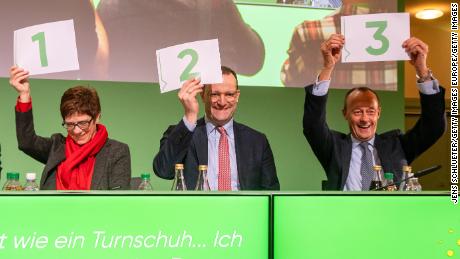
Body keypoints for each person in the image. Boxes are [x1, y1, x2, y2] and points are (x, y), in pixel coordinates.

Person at [303, 34, 446, 191]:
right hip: (345, 214)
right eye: (357, 112)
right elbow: (312, 124)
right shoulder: (333, 147)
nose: (365, 119)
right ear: (345, 114)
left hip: (389, 215)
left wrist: (422, 69)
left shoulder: (398, 146)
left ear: (378, 113)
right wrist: (328, 67)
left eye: (370, 111)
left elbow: (434, 126)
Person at [153, 66, 279, 190]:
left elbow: (271, 192)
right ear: (203, 96)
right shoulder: (184, 133)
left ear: (237, 96)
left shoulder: (257, 141)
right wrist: (190, 115)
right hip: (198, 210)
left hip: (243, 210)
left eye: (229, 94)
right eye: (215, 94)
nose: (222, 102)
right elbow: (163, 171)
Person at [9, 66, 131, 190]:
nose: (77, 131)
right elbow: (26, 142)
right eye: (70, 124)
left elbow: (118, 201)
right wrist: (24, 94)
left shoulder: (117, 151)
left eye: (83, 123)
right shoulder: (56, 147)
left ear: (97, 117)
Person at [96, 0, 265, 82]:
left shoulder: (112, 6)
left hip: (136, 115)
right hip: (202, 122)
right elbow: (252, 62)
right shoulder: (214, 7)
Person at [281, 0, 397, 90]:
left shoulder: (307, 32)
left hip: (323, 113)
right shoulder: (398, 32)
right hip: (384, 117)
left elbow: (289, 79)